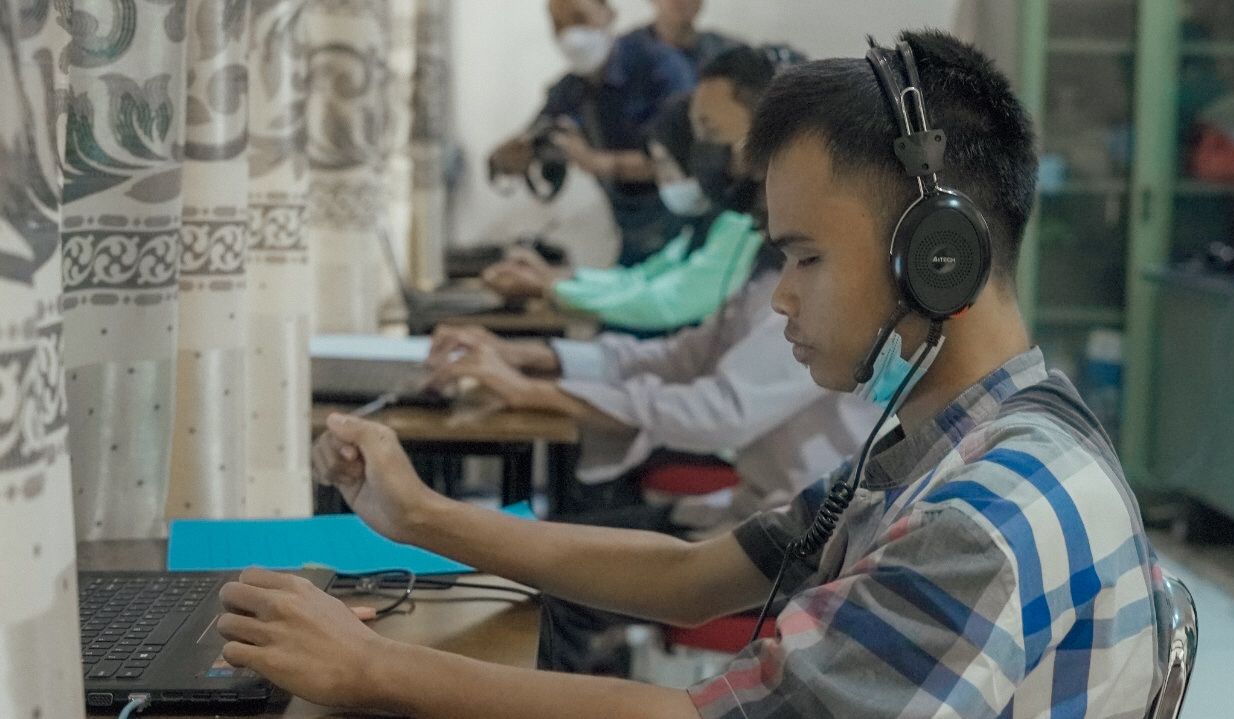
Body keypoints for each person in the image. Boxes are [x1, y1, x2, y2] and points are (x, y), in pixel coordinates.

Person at [219, 30, 1161, 717]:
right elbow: (693, 574)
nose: (781, 296)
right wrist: (419, 514)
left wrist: (372, 668)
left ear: (938, 257)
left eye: (806, 257)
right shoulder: (962, 441)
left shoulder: (983, 516)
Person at [482, 64, 770, 333]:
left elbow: (666, 301)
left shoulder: (740, 224)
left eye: (712, 131)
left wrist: (551, 287)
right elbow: (641, 278)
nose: (662, 180)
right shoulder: (703, 223)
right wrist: (557, 278)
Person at [489, 0, 714, 266]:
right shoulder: (571, 90)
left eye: (579, 19)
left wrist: (596, 162)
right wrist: (513, 156)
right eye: (559, 25)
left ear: (608, 14)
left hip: (687, 228)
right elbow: (529, 140)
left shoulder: (660, 67)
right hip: (630, 233)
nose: (570, 34)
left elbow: (686, 157)